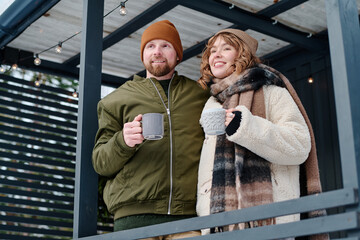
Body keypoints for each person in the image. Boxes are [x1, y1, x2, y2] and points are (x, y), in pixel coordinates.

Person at [196, 29, 327, 239]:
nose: (216, 55)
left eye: (226, 48)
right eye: (212, 51)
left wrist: (246, 127)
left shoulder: (272, 93)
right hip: (220, 222)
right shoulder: (212, 104)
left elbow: (300, 146)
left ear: (243, 55)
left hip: (270, 218)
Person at [92, 20, 209, 238]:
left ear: (177, 54)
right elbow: (100, 163)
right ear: (143, 54)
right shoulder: (116, 100)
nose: (157, 52)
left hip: (188, 217)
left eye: (166, 45)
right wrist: (123, 141)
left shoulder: (200, 96)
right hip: (134, 219)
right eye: (150, 46)